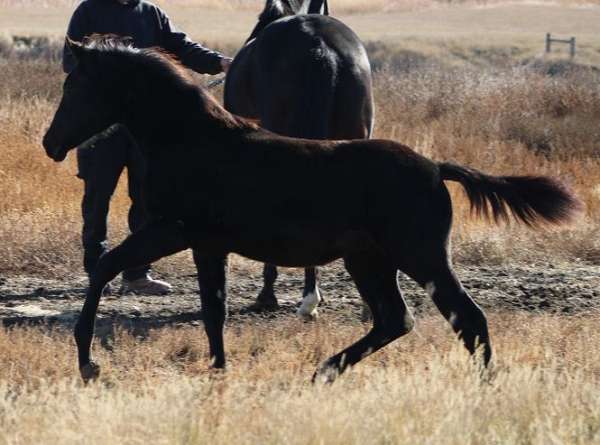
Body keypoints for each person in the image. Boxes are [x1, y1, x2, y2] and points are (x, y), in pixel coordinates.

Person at [63, 0, 232, 295]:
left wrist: (221, 62)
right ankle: (96, 271)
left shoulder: (151, 14)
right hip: (103, 129)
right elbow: (71, 60)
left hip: (147, 130)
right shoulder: (88, 11)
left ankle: (137, 274)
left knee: (145, 201)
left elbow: (183, 47)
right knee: (96, 201)